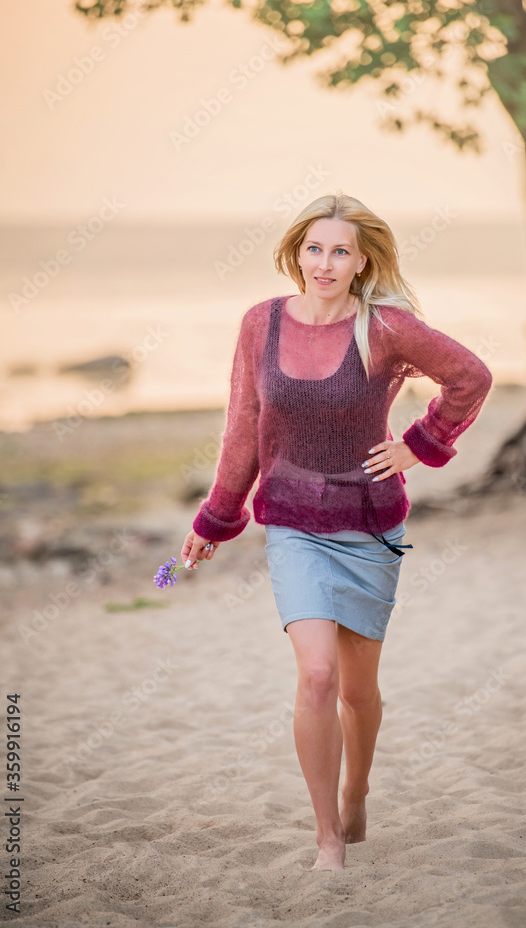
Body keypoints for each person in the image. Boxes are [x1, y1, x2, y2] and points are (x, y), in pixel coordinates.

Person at [181, 193, 493, 871]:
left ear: (361, 261)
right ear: (296, 252)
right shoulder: (259, 323)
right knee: (317, 676)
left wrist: (420, 444)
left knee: (357, 690)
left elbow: (470, 377)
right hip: (292, 523)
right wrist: (217, 517)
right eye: (314, 248)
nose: (324, 263)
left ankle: (357, 788)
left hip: (369, 528)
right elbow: (242, 428)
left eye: (340, 251)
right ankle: (327, 836)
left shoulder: (384, 327)